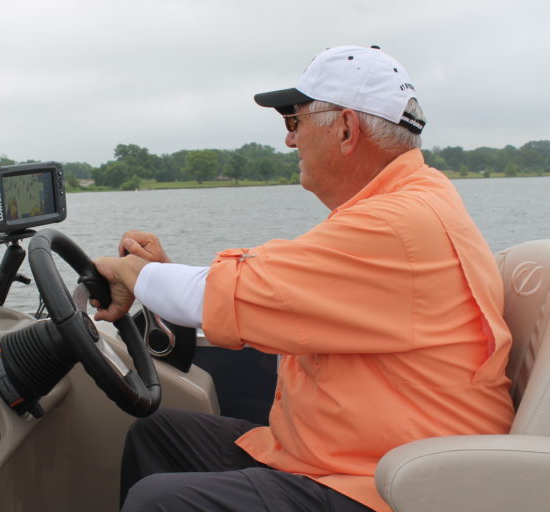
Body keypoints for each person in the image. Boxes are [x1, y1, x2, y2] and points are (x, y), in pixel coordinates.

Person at [93, 45, 514, 512]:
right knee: (158, 434)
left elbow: (236, 291)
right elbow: (272, 291)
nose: (289, 141)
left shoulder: (396, 224)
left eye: (294, 122)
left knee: (161, 502)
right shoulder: (414, 203)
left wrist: (132, 273)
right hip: (346, 455)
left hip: (388, 485)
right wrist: (161, 276)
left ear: (347, 129)